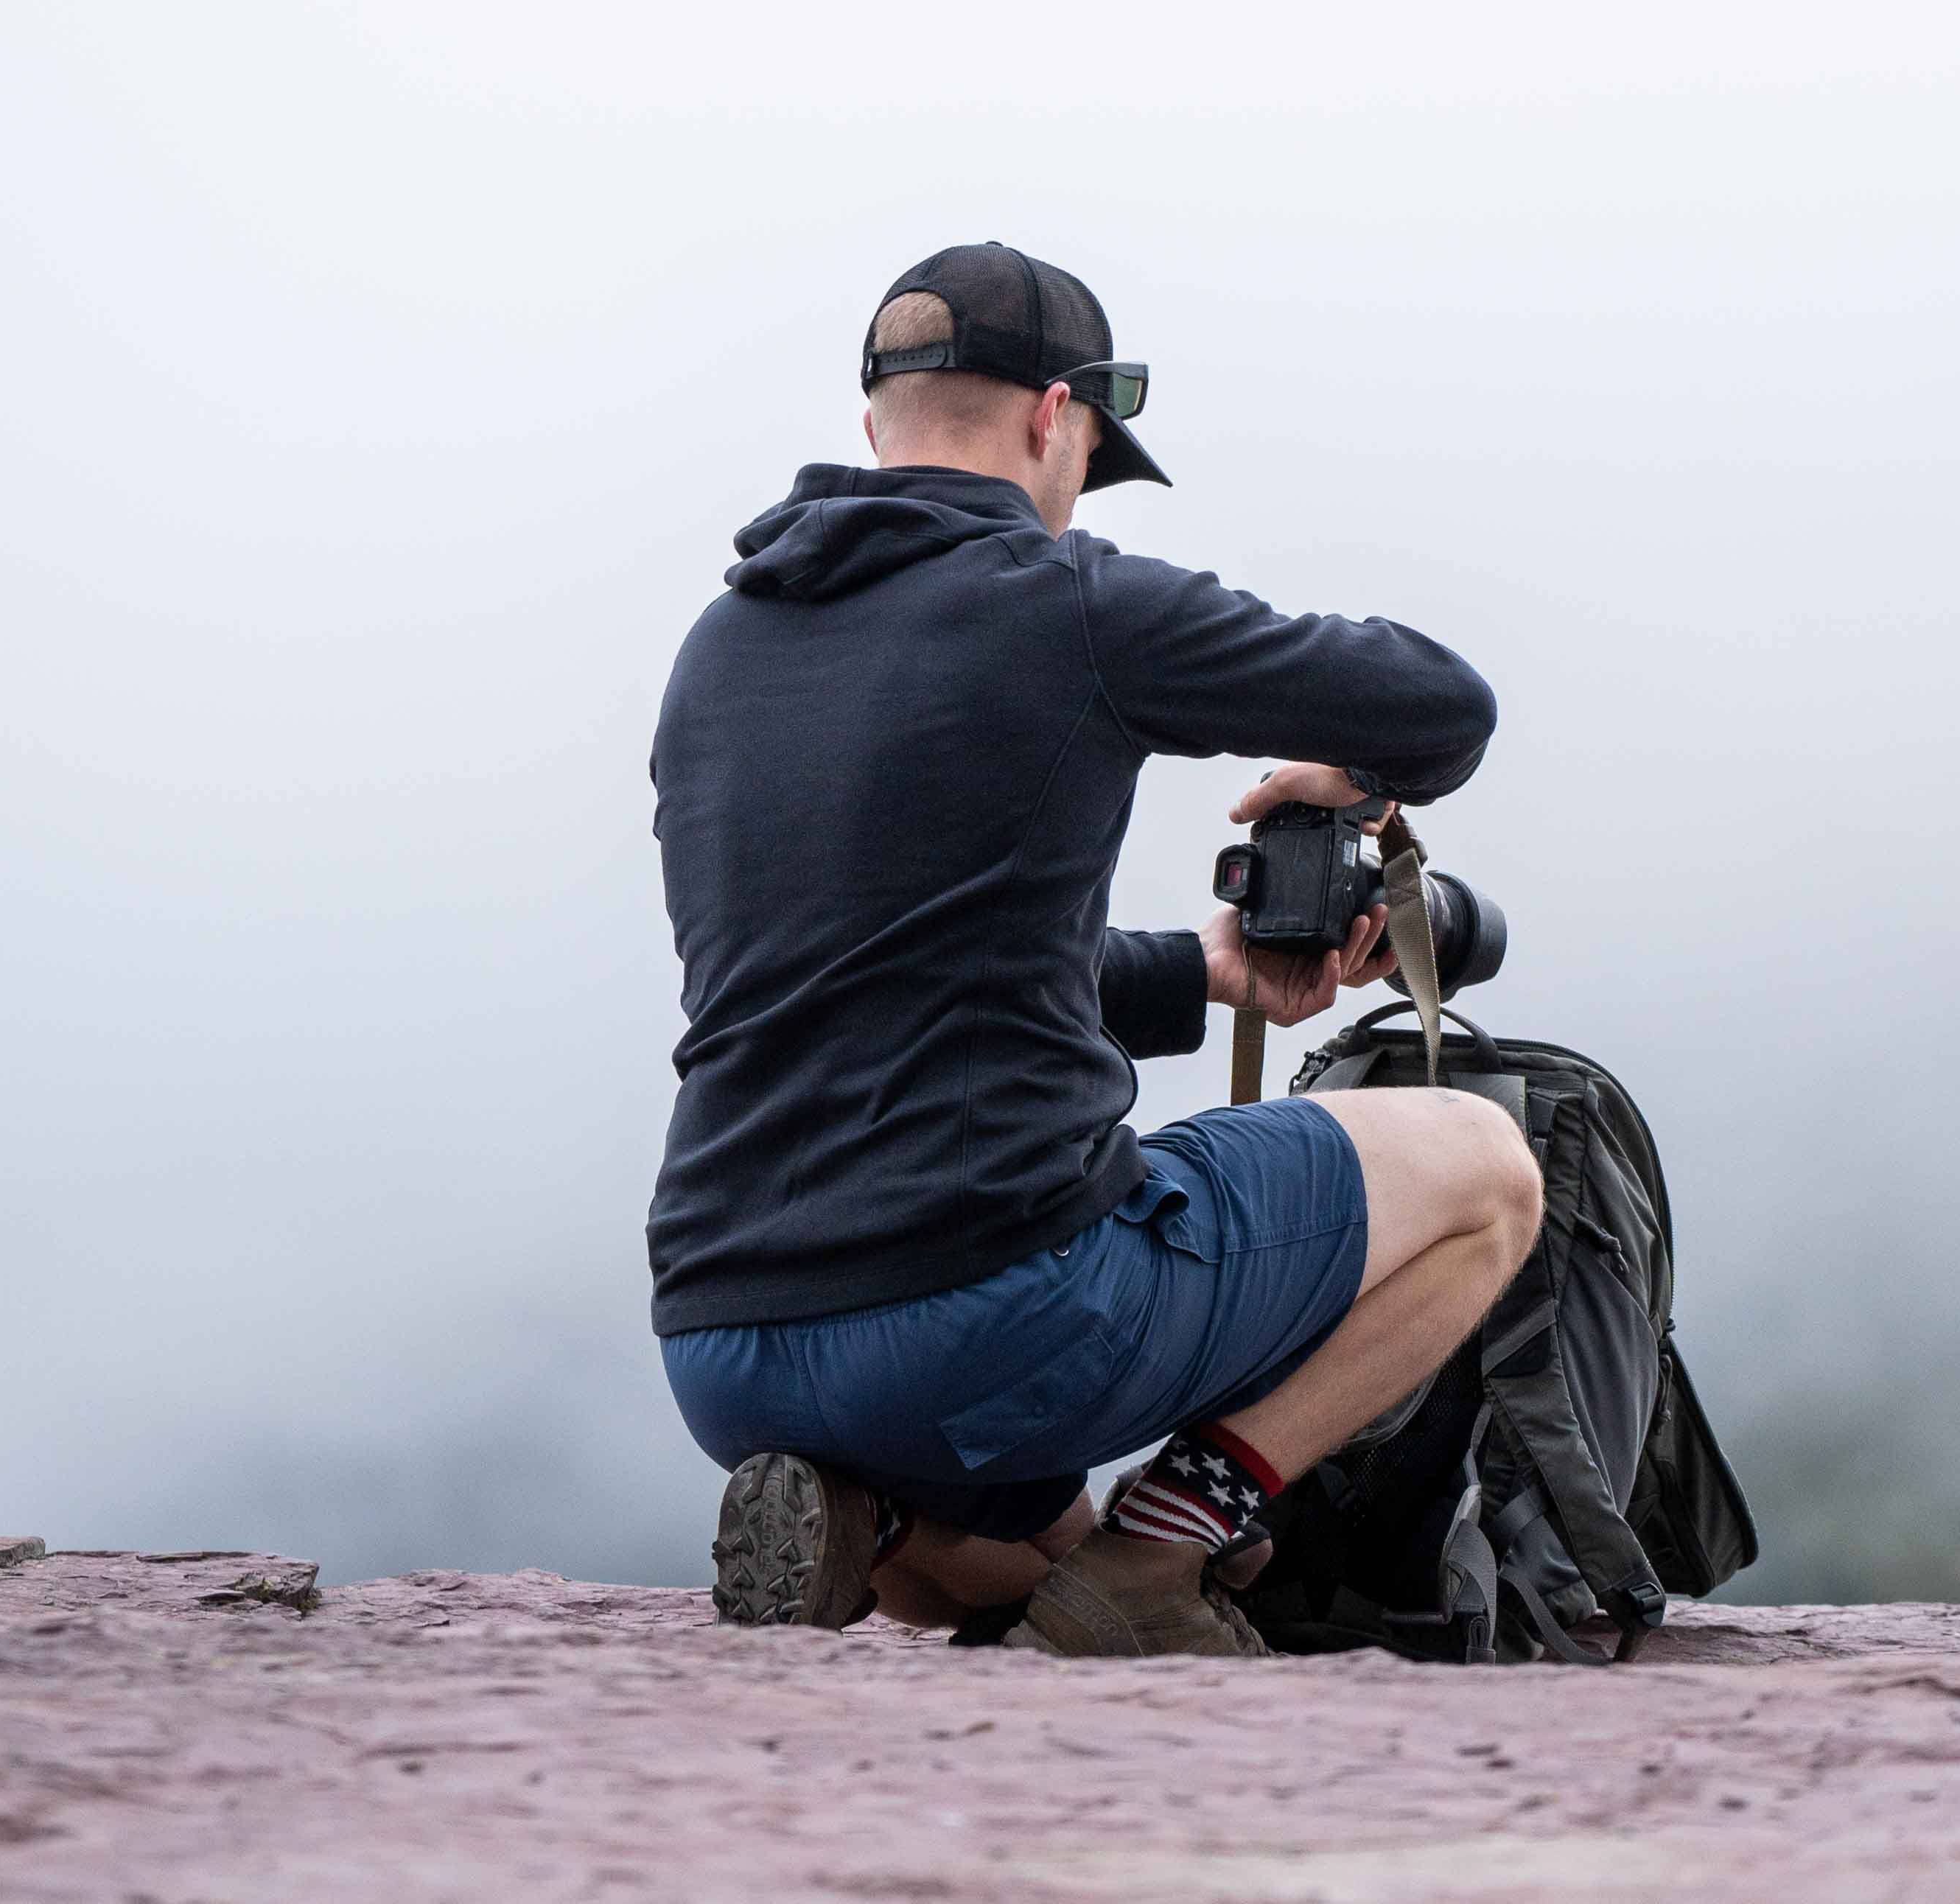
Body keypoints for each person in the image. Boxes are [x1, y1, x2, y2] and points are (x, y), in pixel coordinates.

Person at [650, 242, 1540, 1657]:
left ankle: (878, 1531)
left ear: (876, 420)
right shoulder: (1059, 599)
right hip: (987, 1316)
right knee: (1489, 1173)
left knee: (1038, 1563)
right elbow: (1442, 706)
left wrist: (1204, 968)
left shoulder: (720, 649)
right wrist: (1348, 784)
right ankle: (1178, 1530)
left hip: (723, 1344)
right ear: (1052, 416)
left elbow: (873, 970)